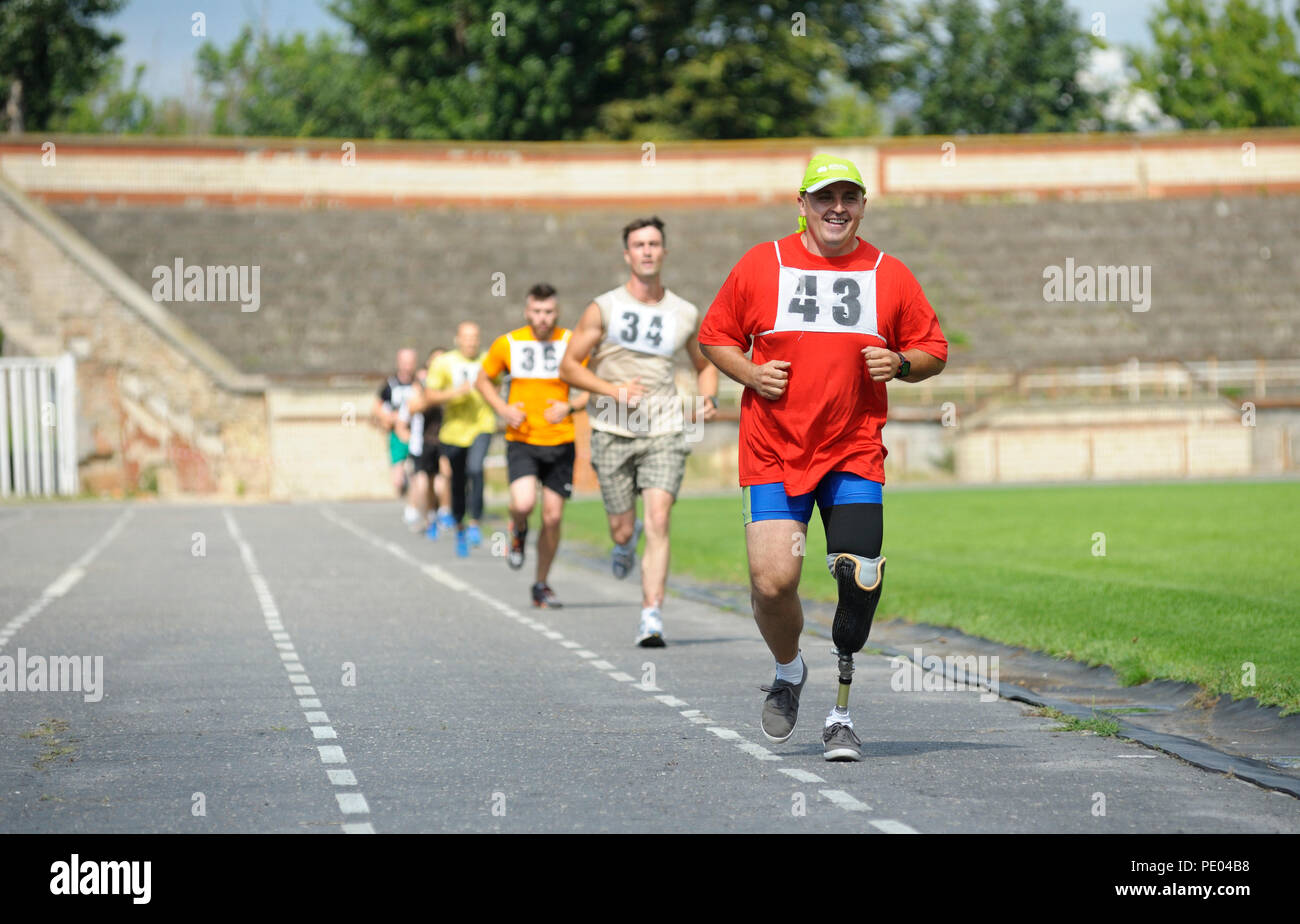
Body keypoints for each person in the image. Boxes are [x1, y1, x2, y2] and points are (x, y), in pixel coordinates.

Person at [697, 154, 948, 761]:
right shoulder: (764, 263)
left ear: (863, 205)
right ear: (802, 204)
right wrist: (753, 374)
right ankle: (788, 671)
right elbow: (715, 335)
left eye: (850, 197)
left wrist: (903, 364)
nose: (838, 208)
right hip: (774, 450)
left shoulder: (889, 273)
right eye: (824, 197)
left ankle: (841, 715)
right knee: (773, 579)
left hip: (853, 449)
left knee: (860, 578)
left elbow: (933, 348)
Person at [559, 217, 718, 646]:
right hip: (611, 426)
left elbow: (704, 364)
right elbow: (569, 367)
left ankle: (651, 615)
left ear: (664, 251)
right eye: (638, 245)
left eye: (653, 244)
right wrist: (612, 389)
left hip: (664, 429)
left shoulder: (684, 312)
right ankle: (624, 545)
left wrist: (708, 397)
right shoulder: (603, 307)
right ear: (627, 254)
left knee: (659, 518)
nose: (647, 251)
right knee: (623, 529)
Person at [476, 284, 589, 608]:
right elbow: (483, 380)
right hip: (522, 440)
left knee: (553, 518)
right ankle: (518, 529)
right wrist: (502, 409)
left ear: (558, 312)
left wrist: (570, 407)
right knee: (524, 504)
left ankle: (541, 584)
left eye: (549, 312)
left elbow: (590, 386)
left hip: (560, 441)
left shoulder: (571, 343)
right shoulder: (508, 343)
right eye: (537, 312)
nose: (543, 318)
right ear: (527, 312)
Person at [424, 322, 498, 557]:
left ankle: (475, 522)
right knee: (457, 480)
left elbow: (500, 384)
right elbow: (430, 395)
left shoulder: (489, 359)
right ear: (457, 339)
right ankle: (459, 527)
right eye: (466, 337)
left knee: (476, 469)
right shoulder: (443, 362)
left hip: (482, 424)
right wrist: (456, 392)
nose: (471, 342)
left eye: (475, 337)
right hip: (453, 431)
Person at [373, 347, 421, 527]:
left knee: (416, 471)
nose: (407, 366)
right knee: (398, 480)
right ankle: (408, 494)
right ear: (399, 363)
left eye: (410, 362)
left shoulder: (419, 383)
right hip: (396, 434)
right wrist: (390, 419)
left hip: (416, 432)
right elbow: (377, 407)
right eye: (404, 362)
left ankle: (414, 507)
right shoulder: (390, 385)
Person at [405, 347, 450, 535]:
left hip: (448, 435)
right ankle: (429, 515)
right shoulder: (422, 383)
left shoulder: (452, 382)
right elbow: (413, 407)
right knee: (427, 481)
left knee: (447, 474)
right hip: (426, 439)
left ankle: (446, 513)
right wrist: (433, 397)